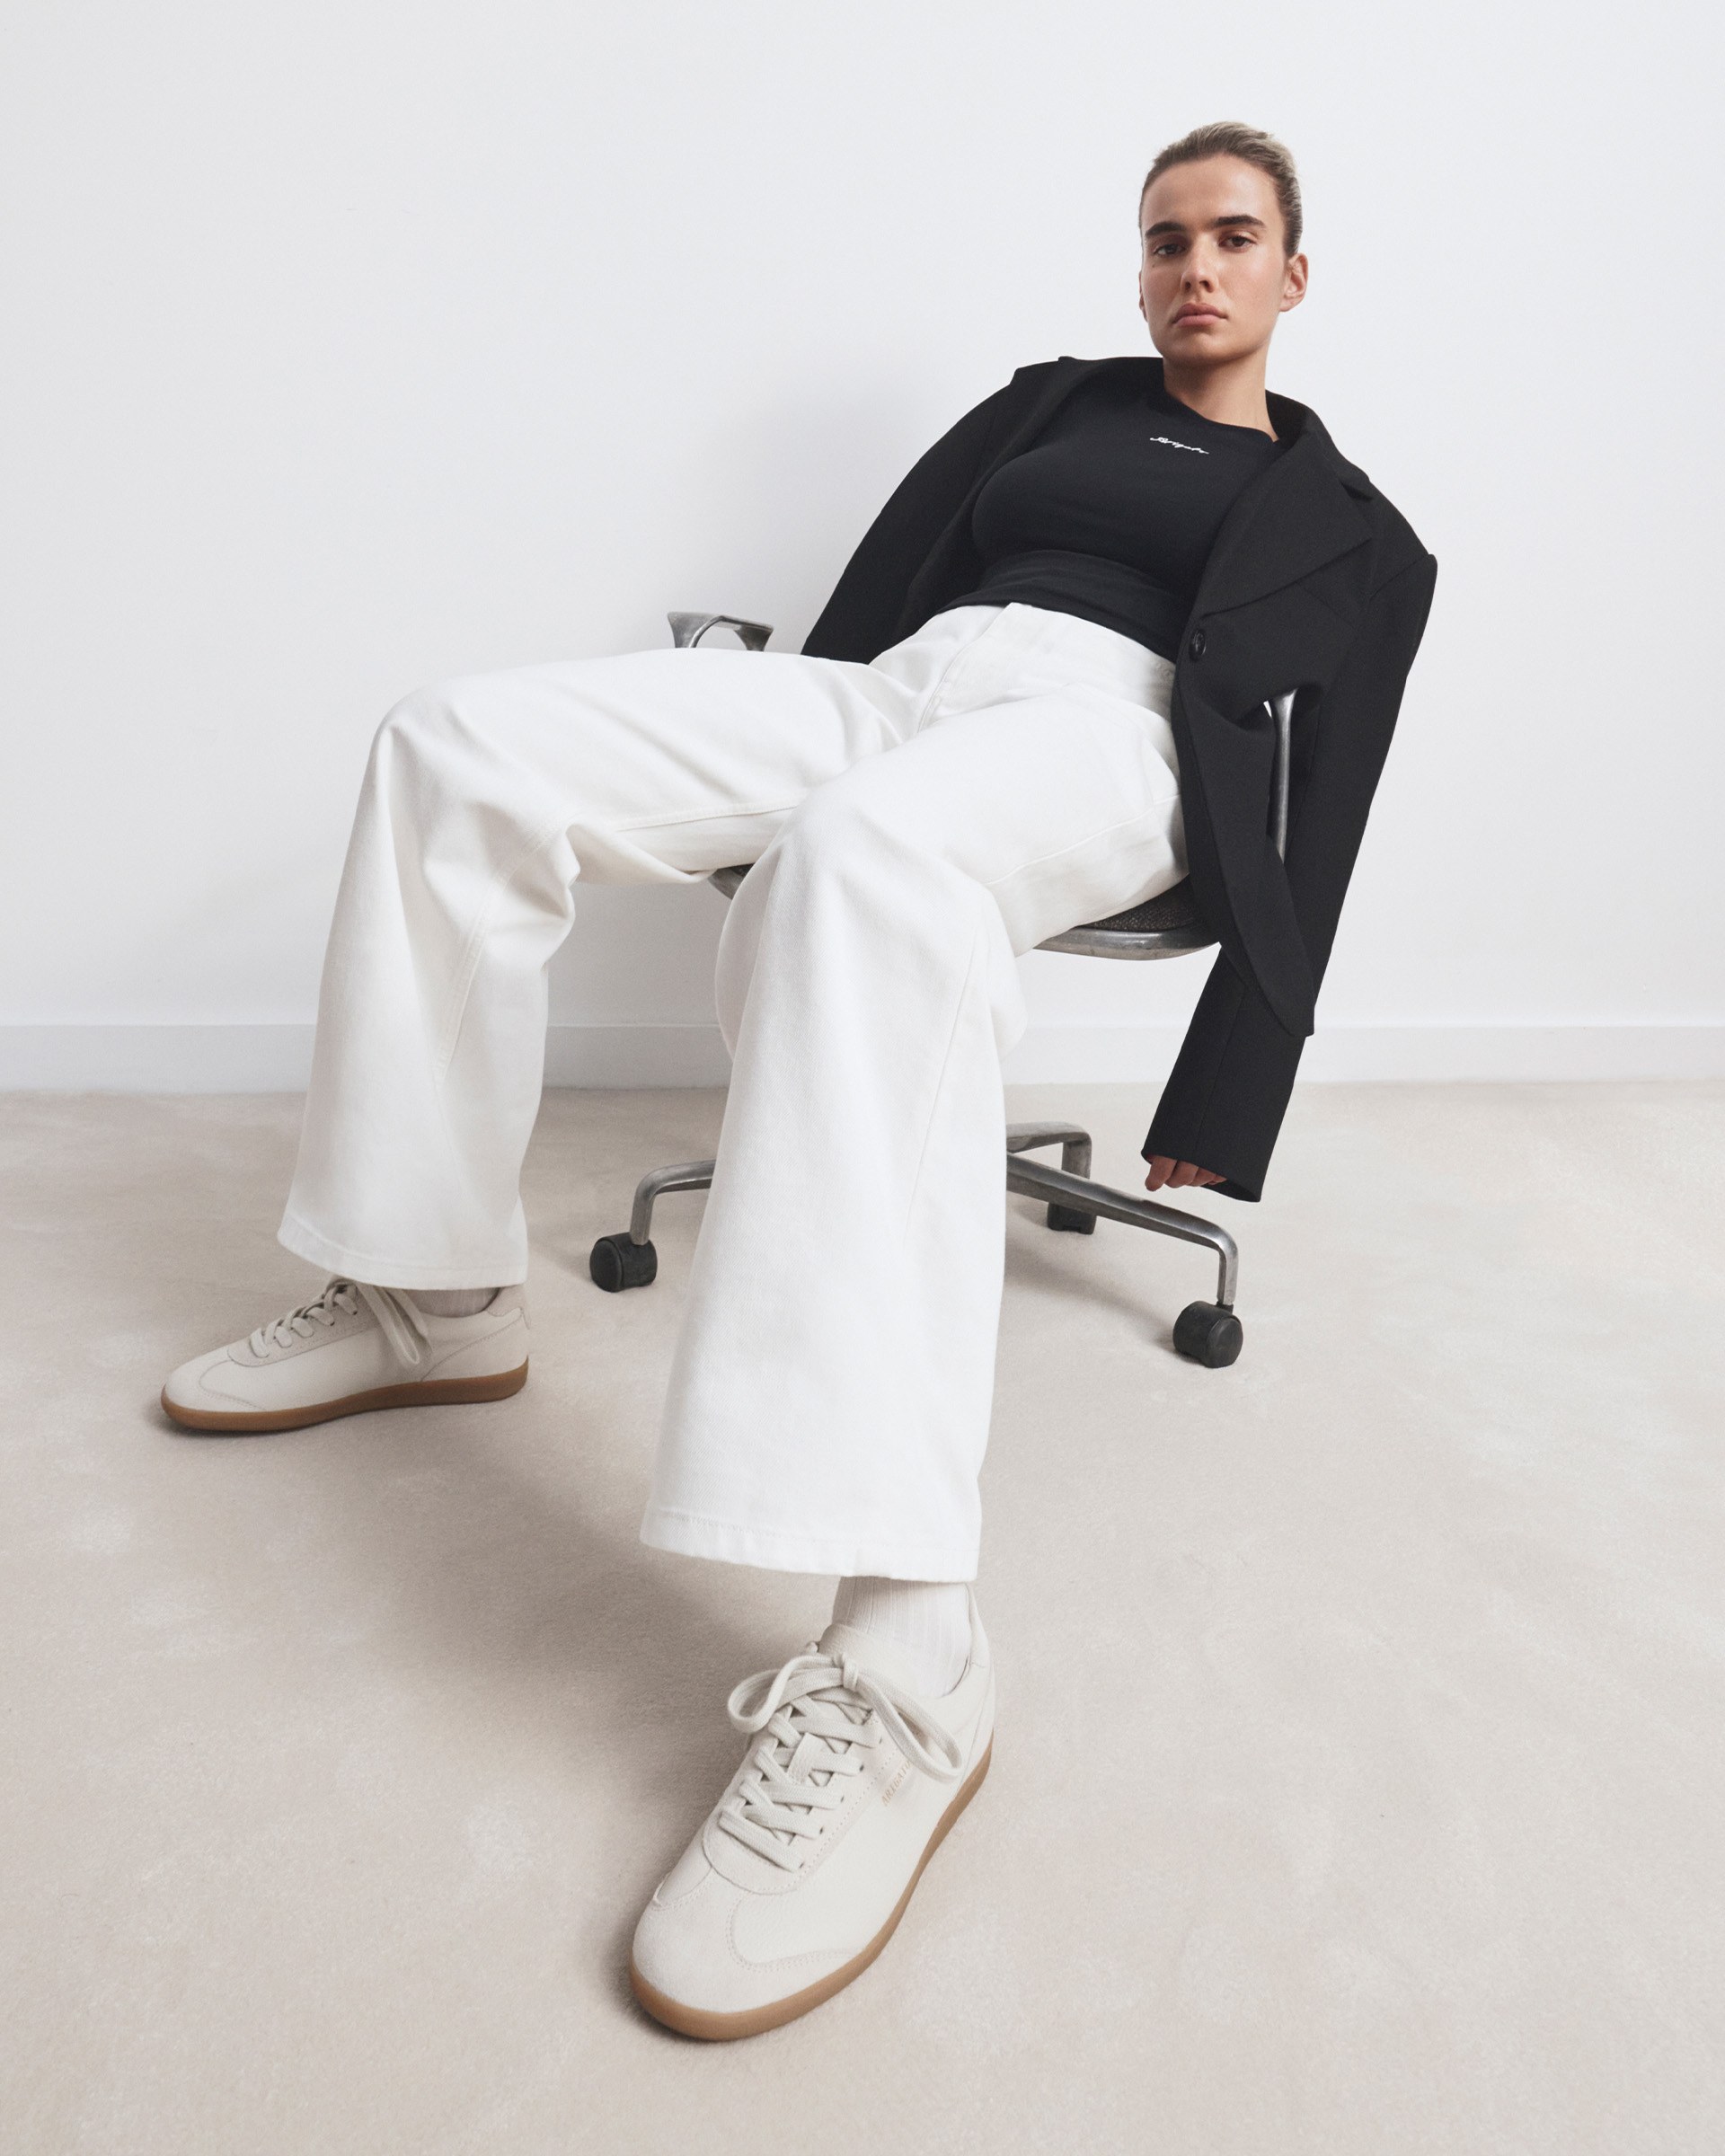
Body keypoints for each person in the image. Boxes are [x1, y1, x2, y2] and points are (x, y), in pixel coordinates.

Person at [159, 121, 1437, 2037]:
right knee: (458, 745)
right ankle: (425, 1285)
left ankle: (912, 1654)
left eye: (1234, 238)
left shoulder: (1358, 530)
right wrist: (788, 738)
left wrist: (1227, 1094)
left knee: (873, 866)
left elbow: (1320, 814)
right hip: (902, 686)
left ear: (1294, 275)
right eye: (1166, 236)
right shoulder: (1044, 410)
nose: (1195, 266)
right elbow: (881, 590)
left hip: (1115, 744)